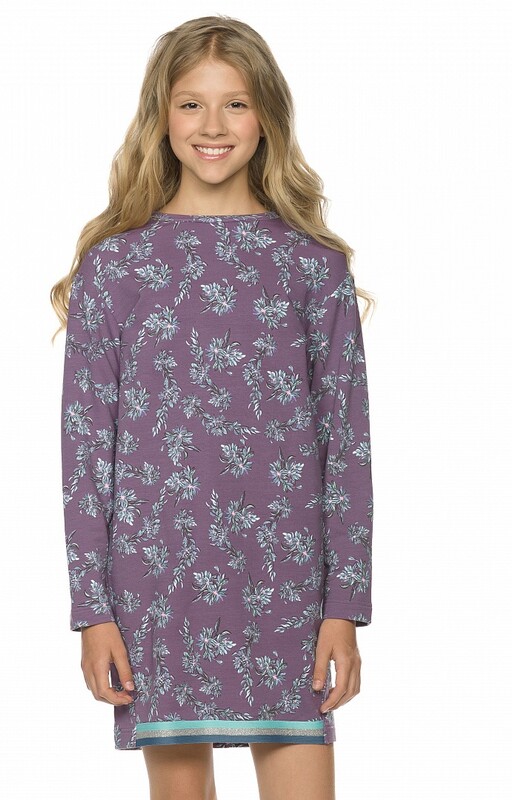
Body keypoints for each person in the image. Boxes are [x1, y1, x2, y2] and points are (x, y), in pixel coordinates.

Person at [50, 14, 375, 800]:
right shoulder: (116, 266)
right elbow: (85, 450)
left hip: (289, 588)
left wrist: (346, 605)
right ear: (161, 116)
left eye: (236, 103)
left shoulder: (312, 266)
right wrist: (93, 611)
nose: (213, 126)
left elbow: (347, 445)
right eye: (191, 104)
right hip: (157, 584)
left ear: (266, 116)